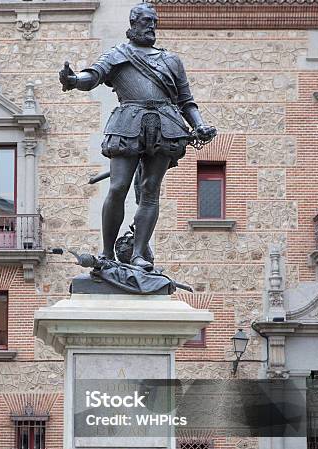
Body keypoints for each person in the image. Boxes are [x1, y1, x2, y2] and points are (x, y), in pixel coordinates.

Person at [59, 2, 216, 271]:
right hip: (127, 124)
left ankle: (139, 253)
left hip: (165, 126)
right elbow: (93, 76)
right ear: (133, 23)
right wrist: (74, 80)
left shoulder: (171, 60)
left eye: (153, 21)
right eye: (145, 21)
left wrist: (200, 125)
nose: (151, 26)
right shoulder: (118, 54)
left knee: (150, 191)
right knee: (118, 187)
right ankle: (107, 252)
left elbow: (186, 101)